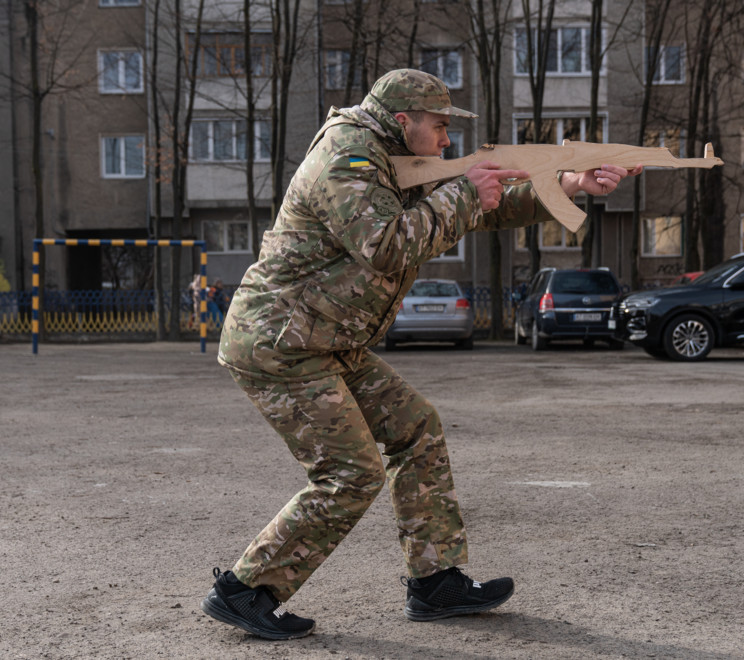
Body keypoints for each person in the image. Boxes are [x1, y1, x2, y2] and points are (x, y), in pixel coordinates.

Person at [201, 69, 640, 640]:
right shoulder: (348, 156)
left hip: (326, 337)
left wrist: (574, 182)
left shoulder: (394, 154)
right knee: (349, 473)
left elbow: (487, 206)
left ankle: (436, 583)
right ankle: (245, 590)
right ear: (404, 120)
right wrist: (463, 191)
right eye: (439, 126)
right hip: (282, 342)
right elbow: (384, 246)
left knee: (417, 428)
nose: (447, 140)